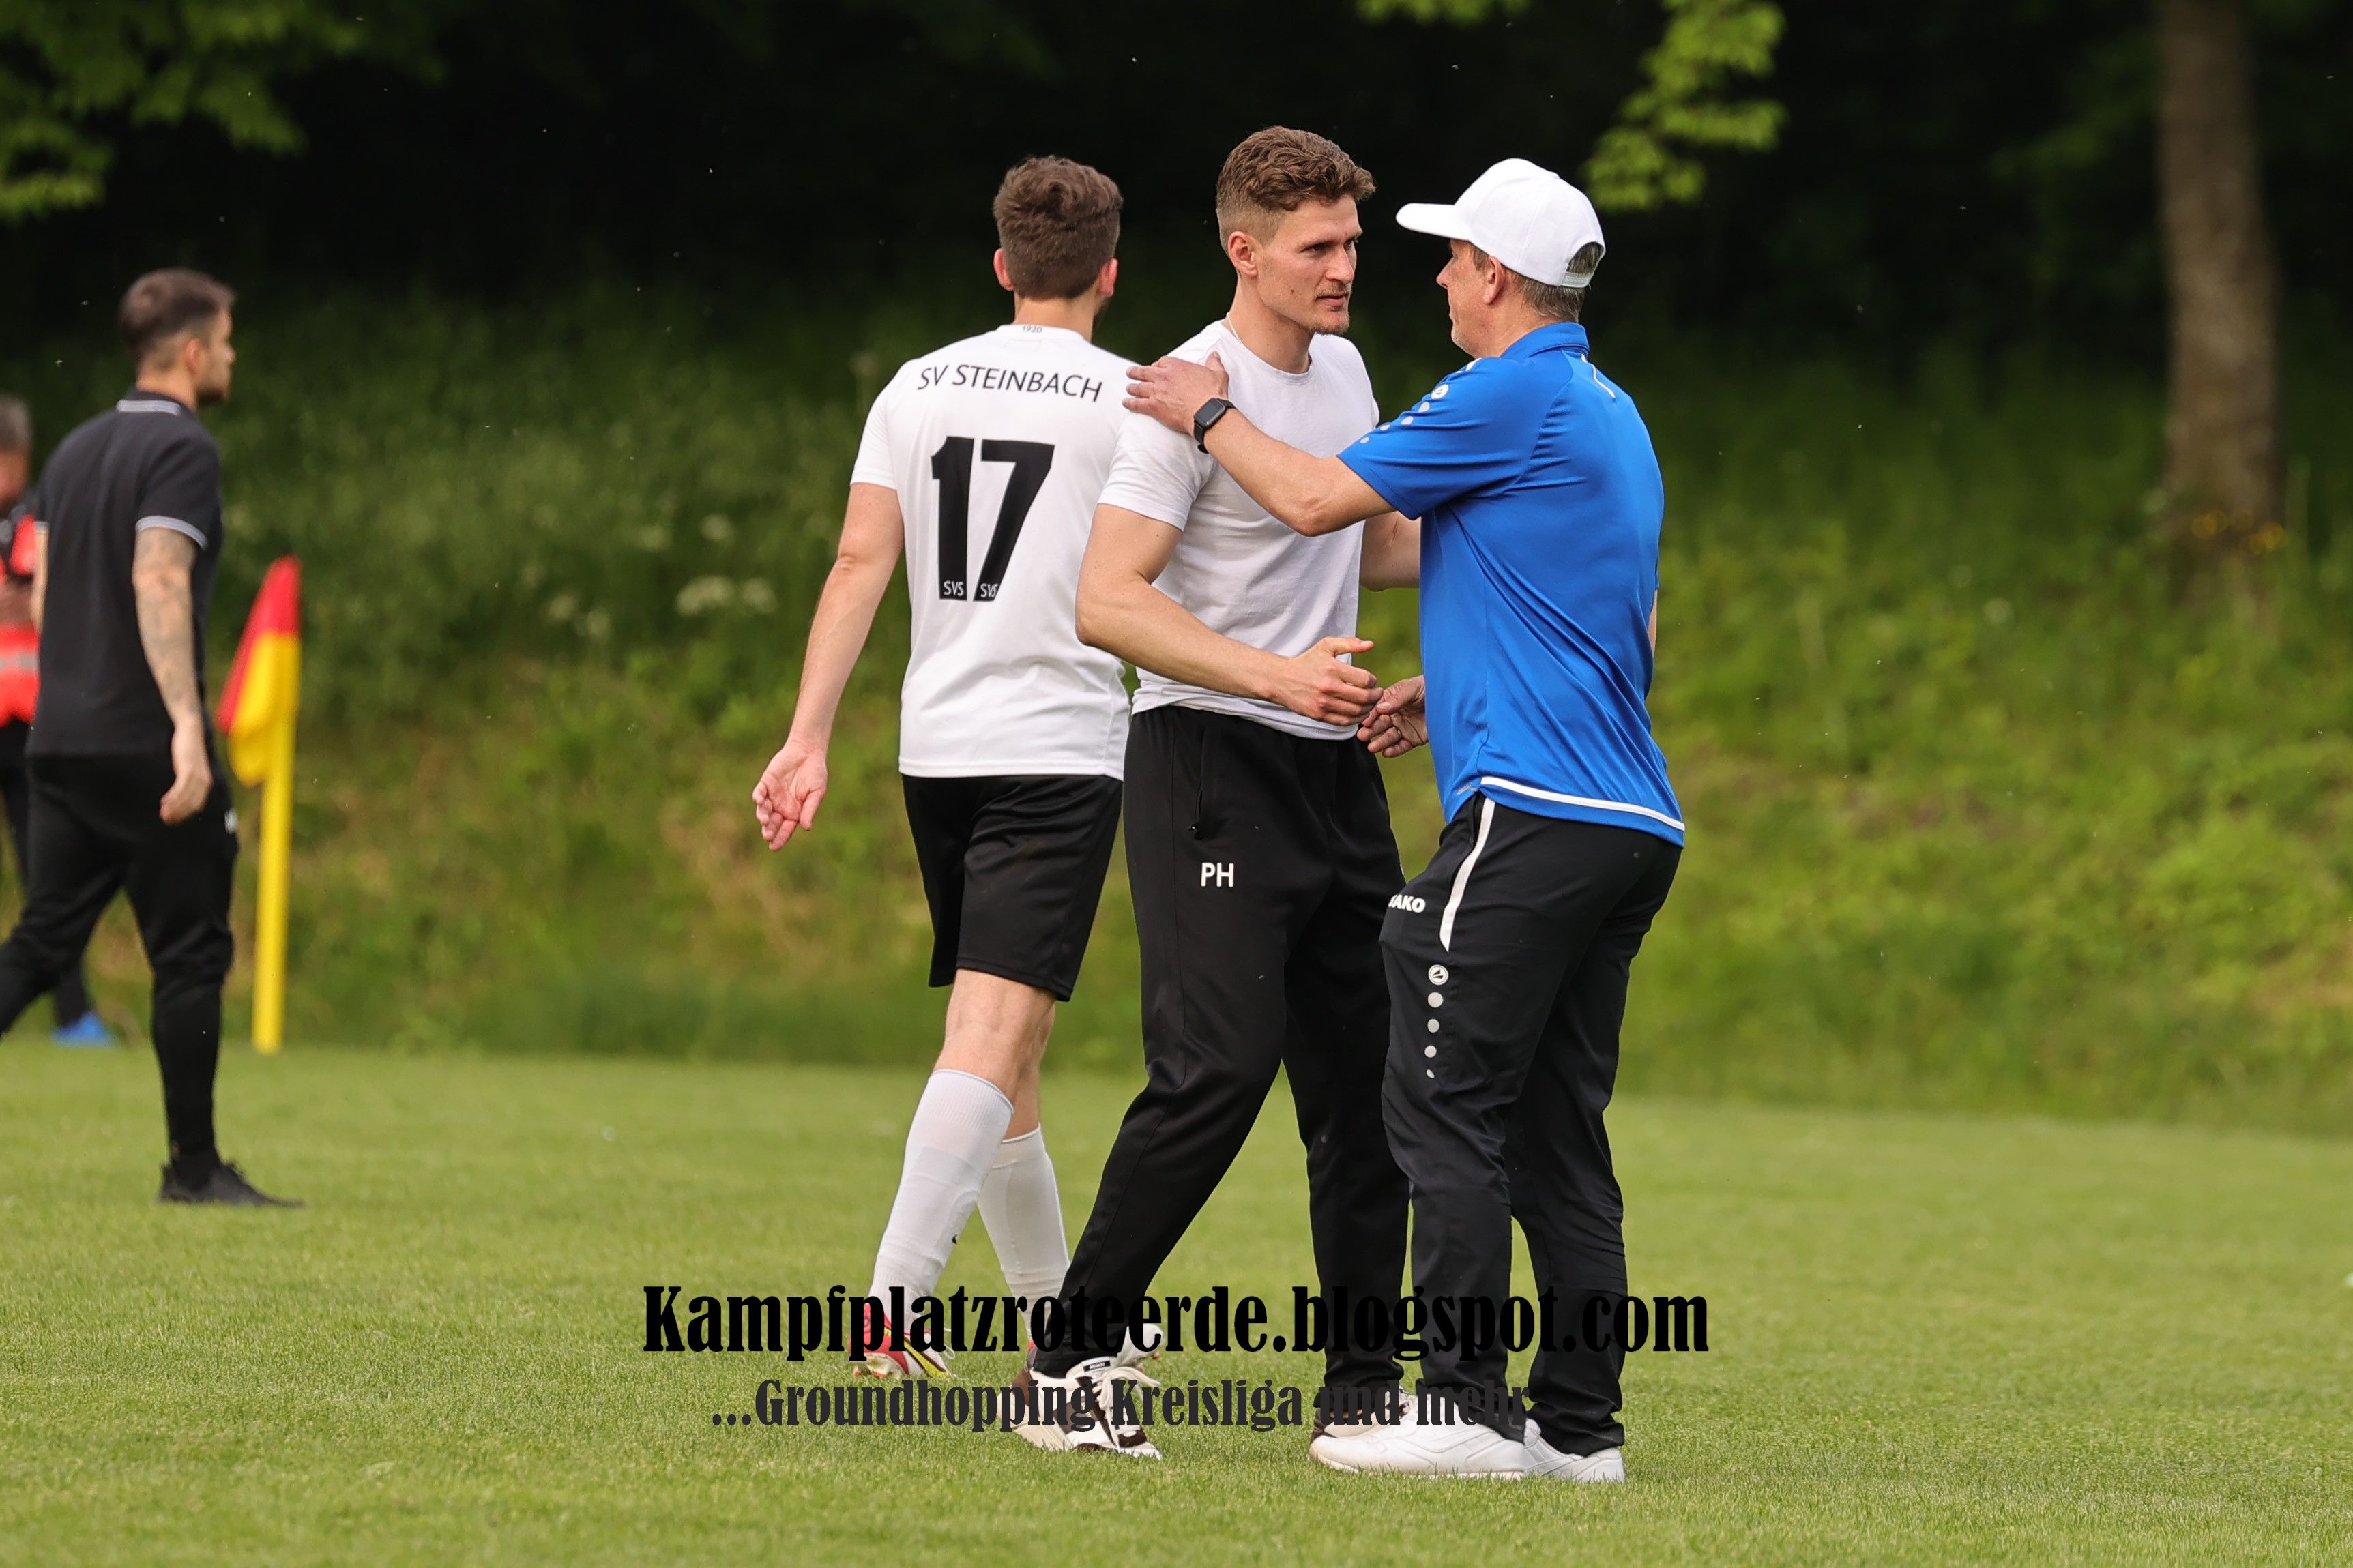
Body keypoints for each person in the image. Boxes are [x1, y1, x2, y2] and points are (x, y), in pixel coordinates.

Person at [1124, 158, 1681, 1481]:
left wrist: (1205, 410)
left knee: (1436, 1097)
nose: (1430, 275)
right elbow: (1623, 617)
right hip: (1629, 820)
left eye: (1448, 256)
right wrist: (1452, 684)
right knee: (1554, 1128)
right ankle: (1578, 1430)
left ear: (1493, 275)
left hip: (1530, 813)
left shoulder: (1502, 389)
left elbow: (1315, 499)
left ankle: (1464, 1407)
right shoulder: (1609, 409)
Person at [1015, 128, 1418, 1459]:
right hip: (1206, 761)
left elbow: (1371, 539)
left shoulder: (1343, 369)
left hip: (1331, 770)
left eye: (1350, 242)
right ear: (1244, 250)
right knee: (1214, 1072)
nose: (1342, 267)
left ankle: (1361, 1393)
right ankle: (1065, 1365)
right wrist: (1272, 675)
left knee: (1366, 1089)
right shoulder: (1178, 394)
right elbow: (1104, 600)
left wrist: (1536, 528)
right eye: (1316, 247)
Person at [752, 158, 1135, 1381]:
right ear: (1109, 275)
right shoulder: (1131, 400)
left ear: (1002, 266)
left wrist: (807, 734)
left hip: (939, 751)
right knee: (989, 1032)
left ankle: (1061, 1326)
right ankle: (890, 1308)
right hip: (1054, 747)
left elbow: (858, 562)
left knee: (1009, 1050)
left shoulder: (916, 383)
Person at [0, 269, 296, 1205]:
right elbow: (160, 576)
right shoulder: (183, 449)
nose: (233, 357)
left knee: (43, 941)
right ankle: (193, 1167)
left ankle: (196, 1166)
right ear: (195, 351)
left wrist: (76, 691)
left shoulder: (76, 449)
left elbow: (44, 595)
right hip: (144, 741)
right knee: (192, 953)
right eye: (228, 341)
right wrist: (185, 727)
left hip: (59, 736)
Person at [0, 398, 116, 1047]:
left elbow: (52, 592)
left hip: (31, 726)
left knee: (48, 879)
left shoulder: (38, 517)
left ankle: (75, 1017)